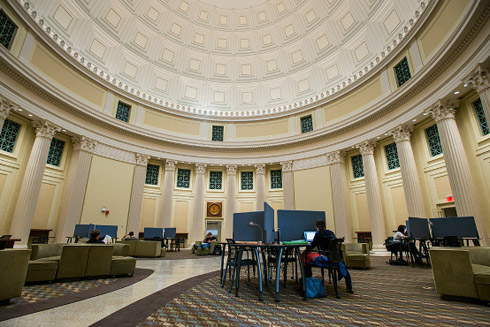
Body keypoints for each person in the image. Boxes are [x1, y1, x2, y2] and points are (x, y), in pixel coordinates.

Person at [303, 220, 353, 293]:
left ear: (317, 227)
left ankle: (307, 283)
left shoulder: (318, 234)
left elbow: (312, 246)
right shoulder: (331, 233)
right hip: (336, 257)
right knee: (342, 266)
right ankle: (349, 287)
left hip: (325, 257)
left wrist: (308, 246)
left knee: (306, 259)